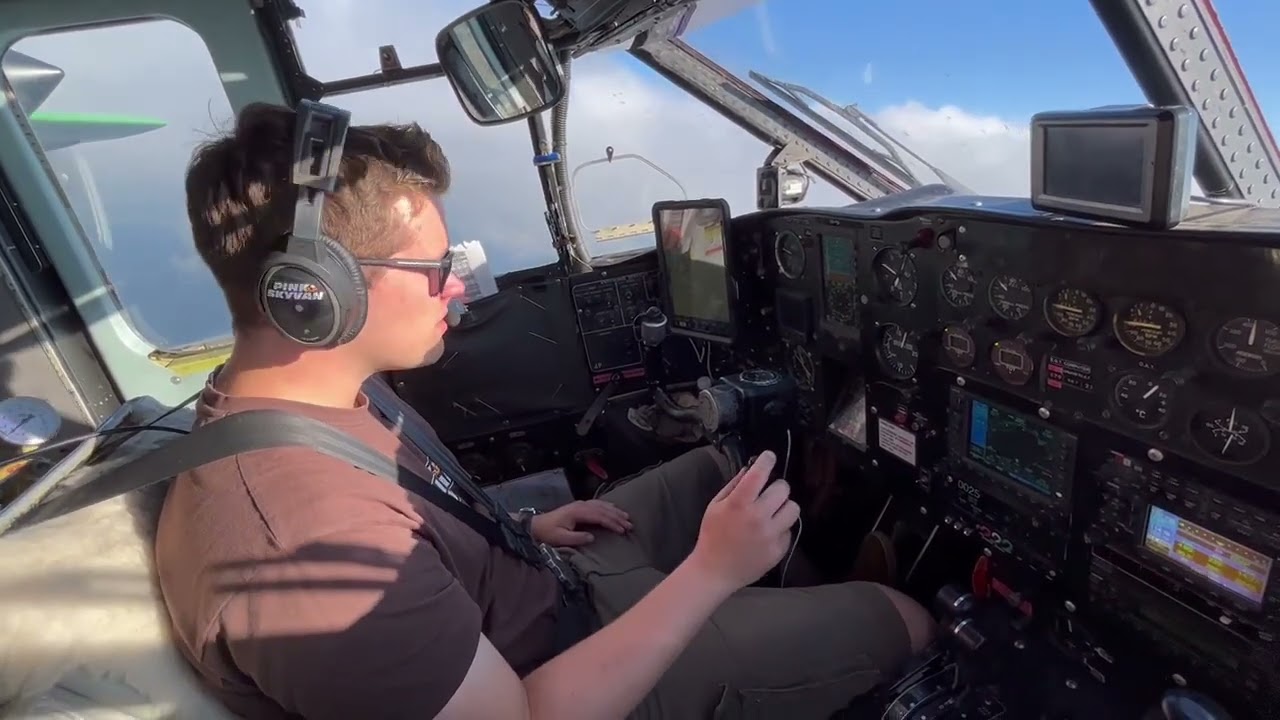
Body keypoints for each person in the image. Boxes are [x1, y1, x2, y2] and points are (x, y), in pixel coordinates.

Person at [154, 102, 935, 720]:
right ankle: (830, 621)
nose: (455, 287)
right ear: (314, 292)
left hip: (548, 582)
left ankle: (796, 605)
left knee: (721, 470)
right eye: (434, 269)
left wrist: (515, 529)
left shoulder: (318, 397)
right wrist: (709, 575)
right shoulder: (300, 558)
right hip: (572, 671)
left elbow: (409, 522)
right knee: (907, 620)